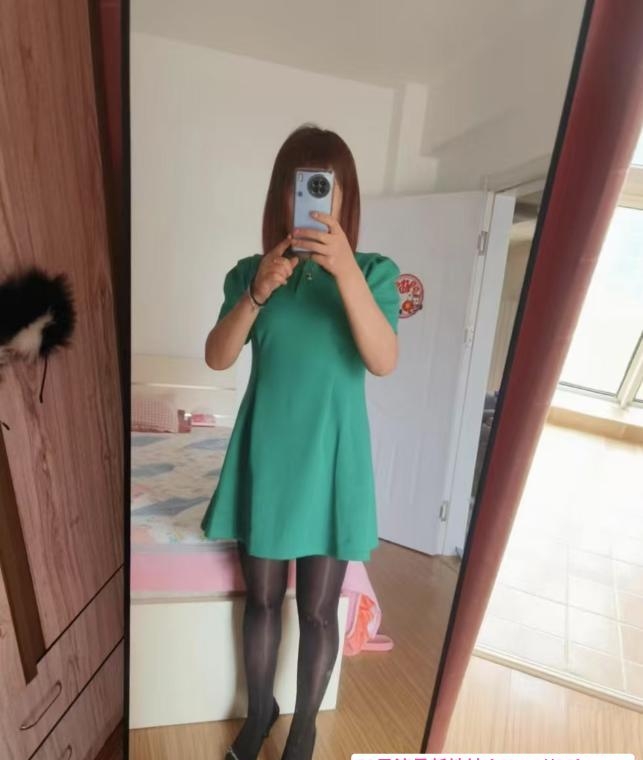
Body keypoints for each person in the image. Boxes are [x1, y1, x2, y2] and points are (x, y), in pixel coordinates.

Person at [201, 123, 400, 760]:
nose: (311, 200)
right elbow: (217, 356)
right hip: (266, 457)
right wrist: (257, 292)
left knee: (317, 611)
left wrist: (344, 272)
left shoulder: (375, 273)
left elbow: (383, 360)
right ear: (281, 197)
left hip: (332, 464)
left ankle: (305, 727)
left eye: (325, 187)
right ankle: (260, 710)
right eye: (301, 187)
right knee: (261, 601)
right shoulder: (250, 273)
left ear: (345, 200)